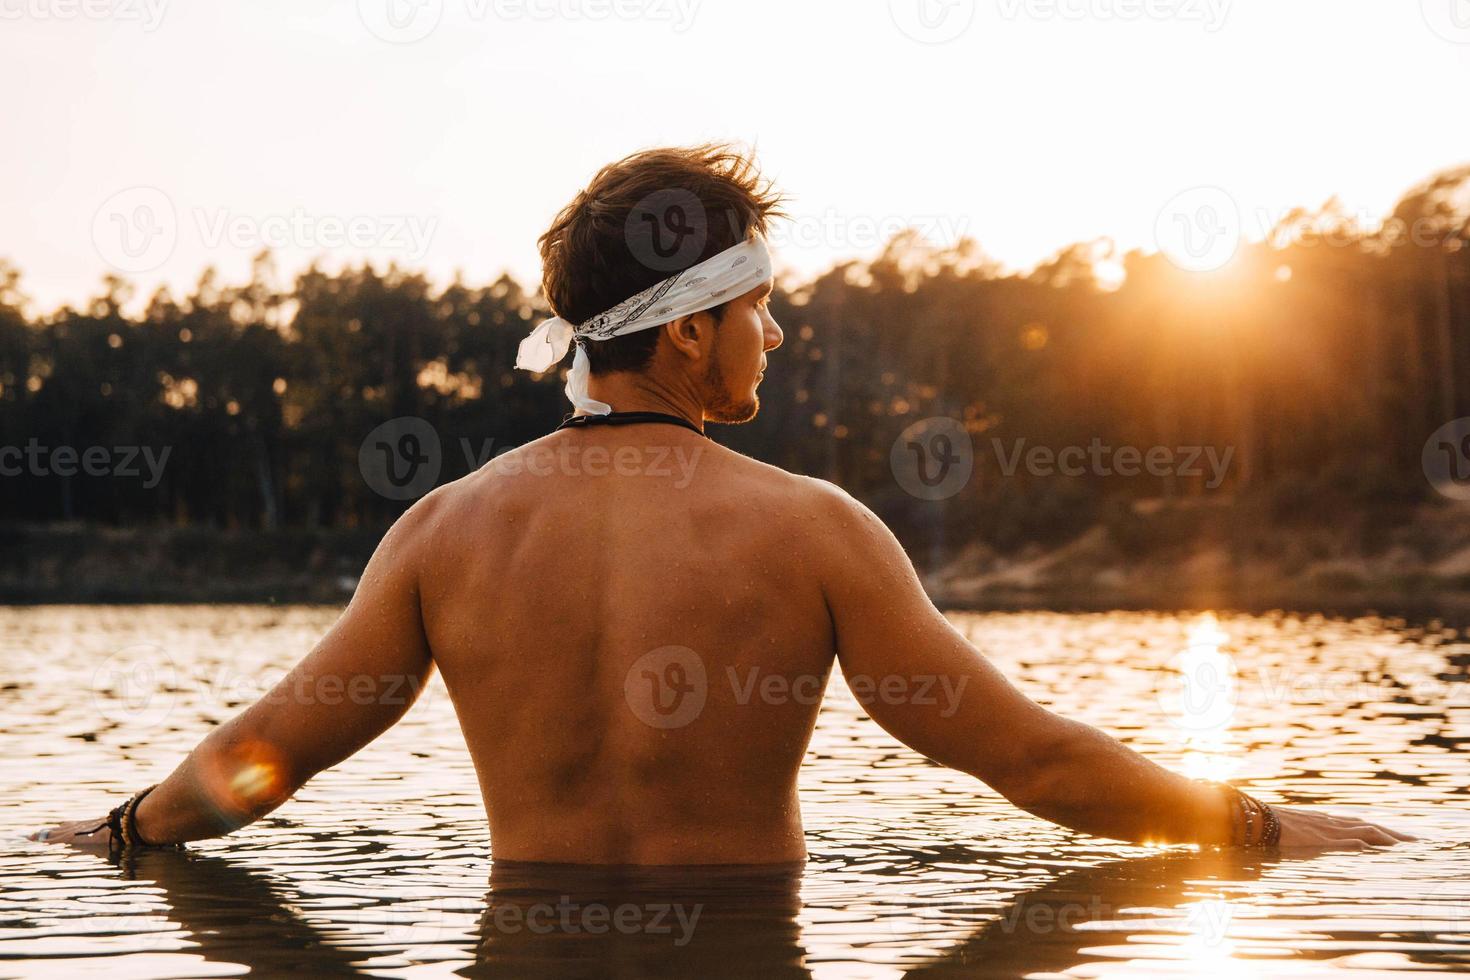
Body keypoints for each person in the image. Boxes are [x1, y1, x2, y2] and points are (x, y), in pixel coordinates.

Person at [33, 144, 1413, 860]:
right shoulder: (813, 529)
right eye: (762, 310)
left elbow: (272, 756)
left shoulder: (444, 531)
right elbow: (1029, 763)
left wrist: (117, 831)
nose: (777, 336)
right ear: (689, 333)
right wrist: (1258, 825)